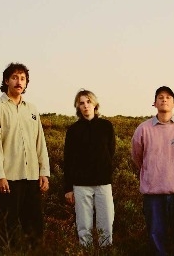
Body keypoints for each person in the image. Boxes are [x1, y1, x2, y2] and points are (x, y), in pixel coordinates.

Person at [0, 62, 50, 248]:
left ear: (26, 83)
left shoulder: (32, 109)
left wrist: (44, 172)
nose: (18, 82)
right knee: (8, 229)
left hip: (31, 177)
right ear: (6, 81)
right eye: (14, 77)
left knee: (35, 228)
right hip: (8, 179)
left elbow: (40, 142)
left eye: (22, 78)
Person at [131, 86, 174, 255]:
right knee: (156, 240)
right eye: (160, 97)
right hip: (153, 194)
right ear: (154, 103)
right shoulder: (143, 129)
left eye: (168, 97)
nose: (164, 100)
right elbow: (137, 156)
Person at [64, 89, 115, 247]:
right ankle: (85, 251)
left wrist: (104, 170)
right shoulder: (73, 130)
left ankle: (105, 250)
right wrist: (68, 188)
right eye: (81, 103)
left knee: (106, 222)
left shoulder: (106, 126)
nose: (85, 105)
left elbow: (110, 151)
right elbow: (68, 159)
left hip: (103, 183)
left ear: (95, 104)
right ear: (78, 107)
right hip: (80, 185)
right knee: (84, 225)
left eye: (88, 102)